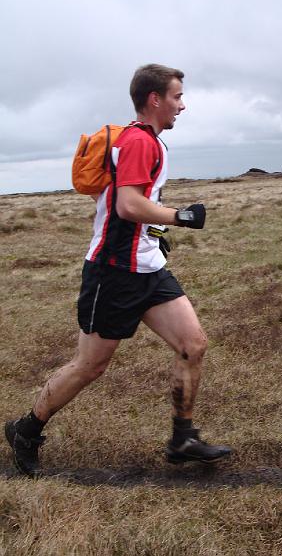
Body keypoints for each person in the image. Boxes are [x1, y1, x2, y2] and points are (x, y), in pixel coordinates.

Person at [5, 63, 232, 477]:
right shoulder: (139, 142)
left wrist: (158, 232)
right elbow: (128, 205)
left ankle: (183, 437)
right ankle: (26, 428)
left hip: (149, 268)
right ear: (154, 99)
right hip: (113, 272)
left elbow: (133, 205)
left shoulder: (147, 141)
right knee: (89, 365)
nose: (183, 105)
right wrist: (180, 216)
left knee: (192, 344)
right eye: (177, 97)